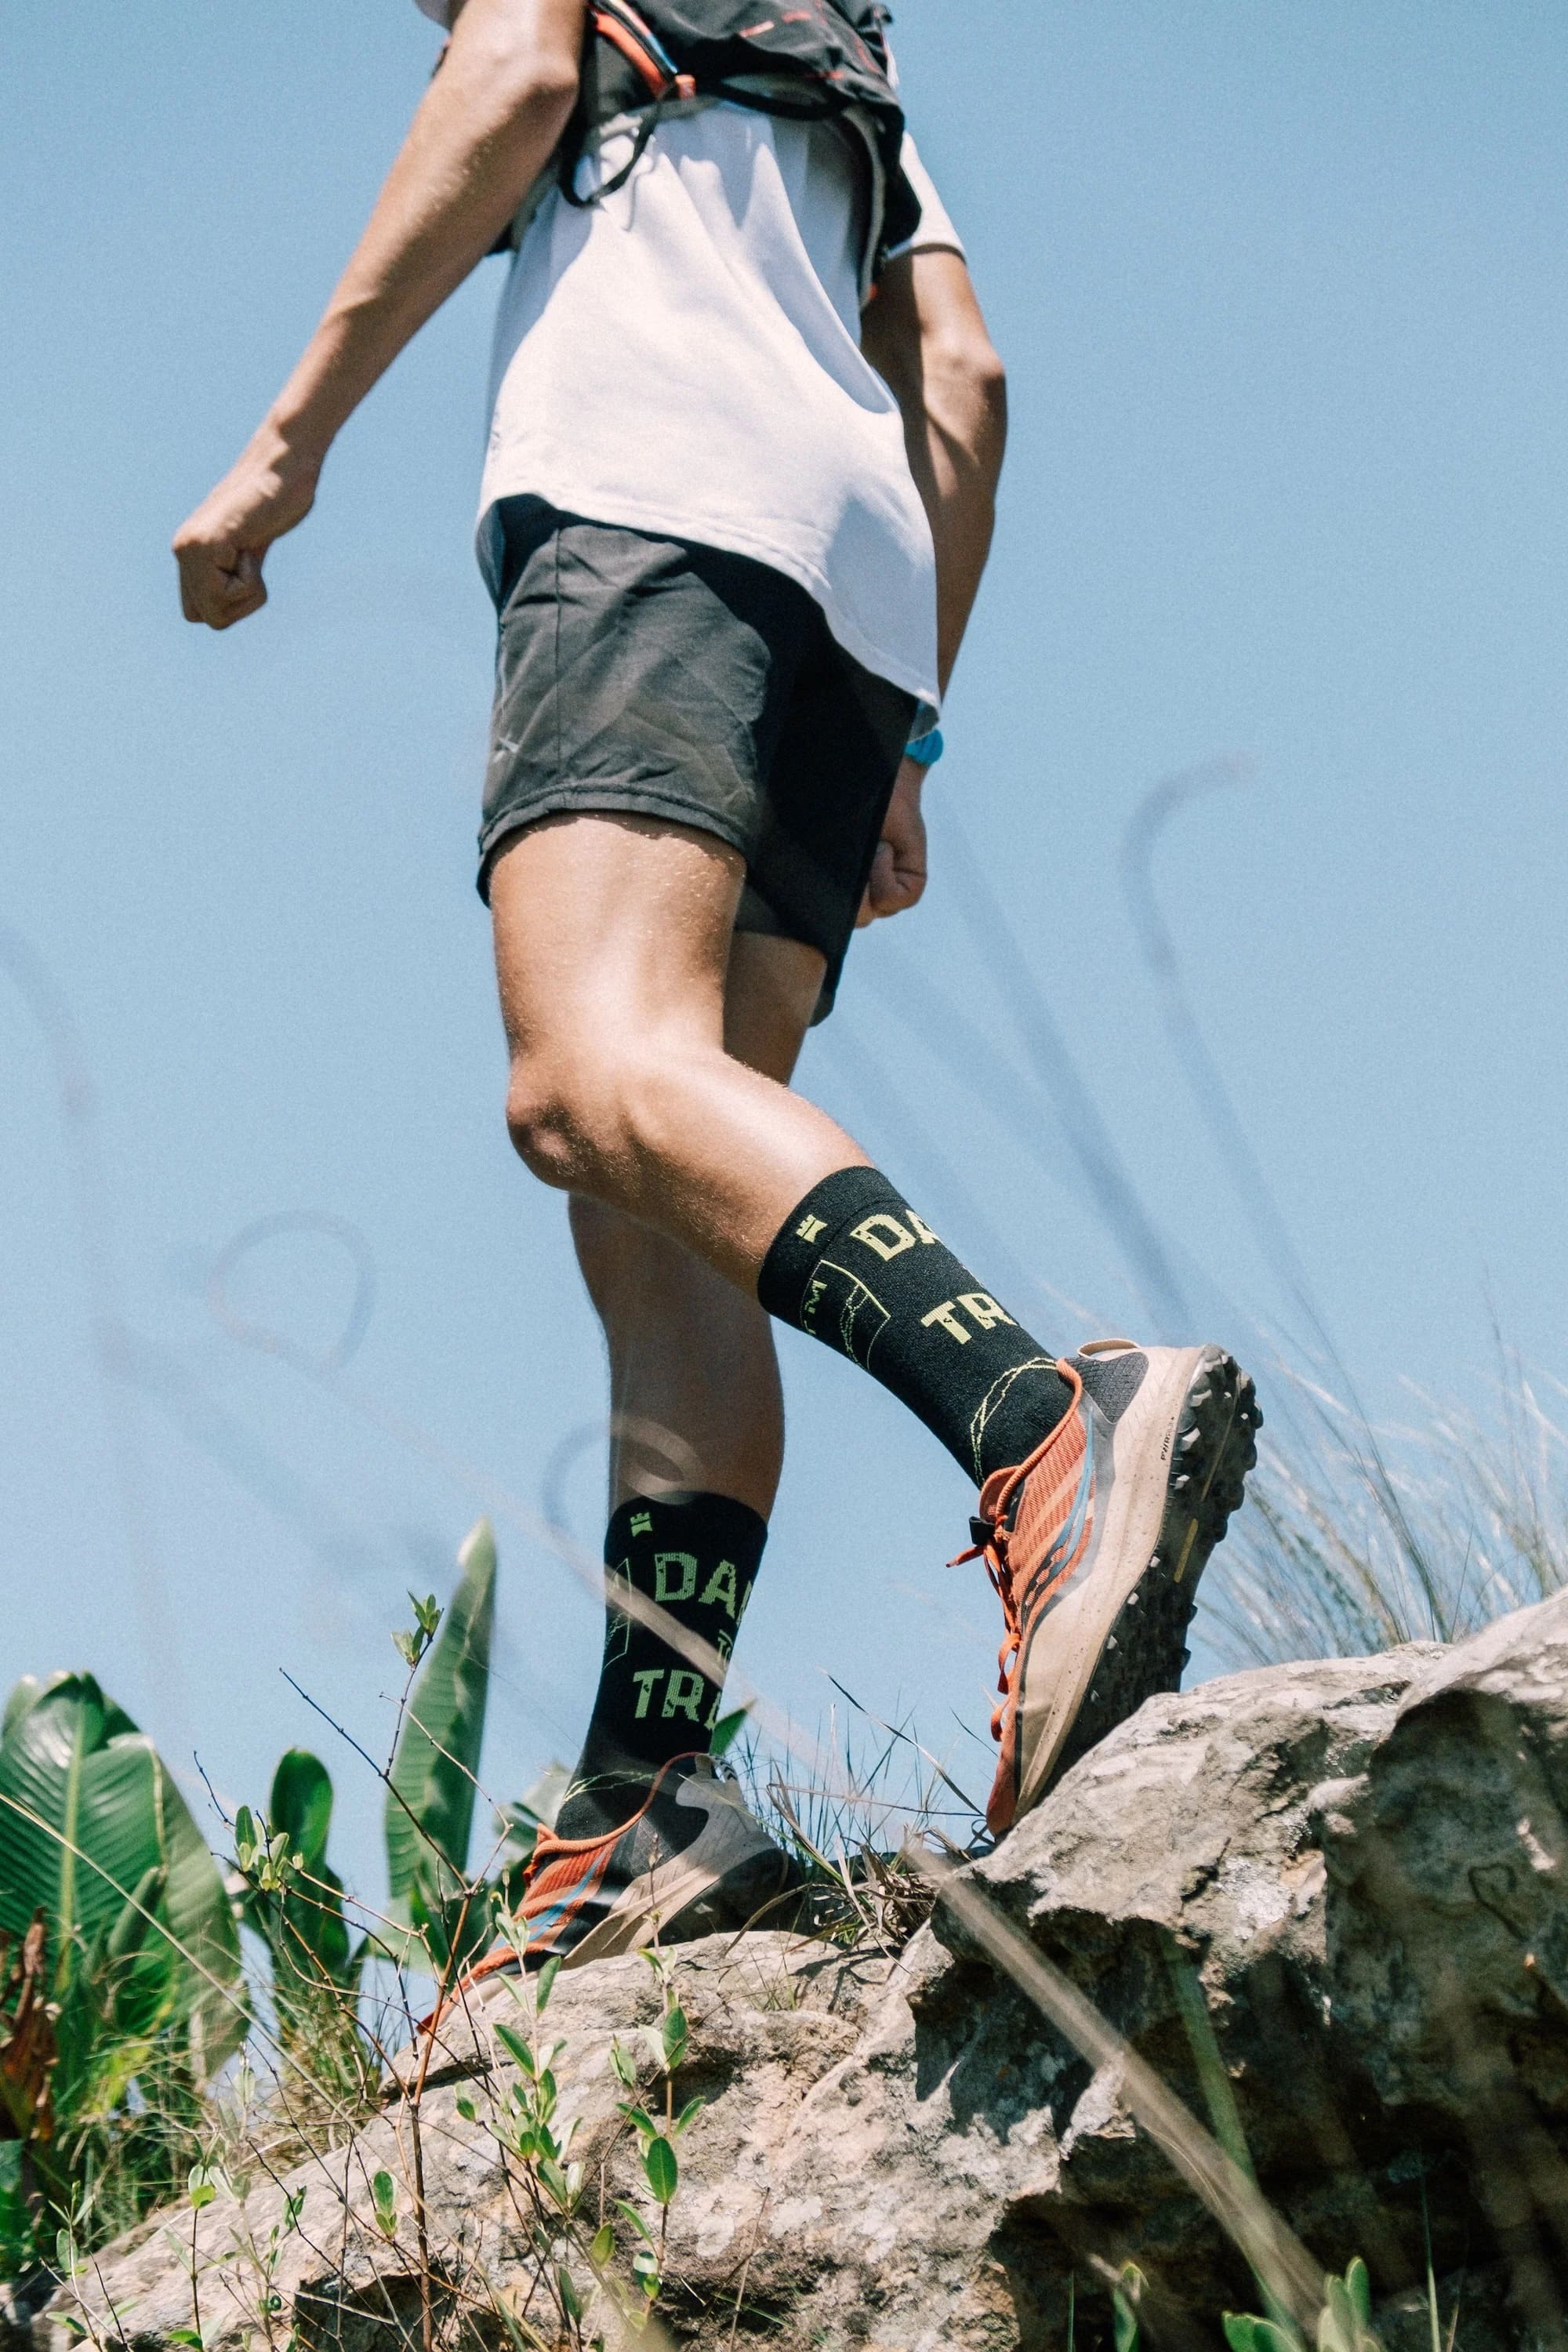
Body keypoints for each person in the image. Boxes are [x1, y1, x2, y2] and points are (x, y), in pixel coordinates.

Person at [174, 0, 1259, 1970]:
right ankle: (644, 1807)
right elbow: (966, 375)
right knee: (659, 1219)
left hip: (647, 502)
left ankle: (1037, 1413)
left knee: (582, 1079)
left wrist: (282, 449)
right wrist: (906, 734)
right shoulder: (843, 72)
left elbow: (509, 77)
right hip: (850, 581)